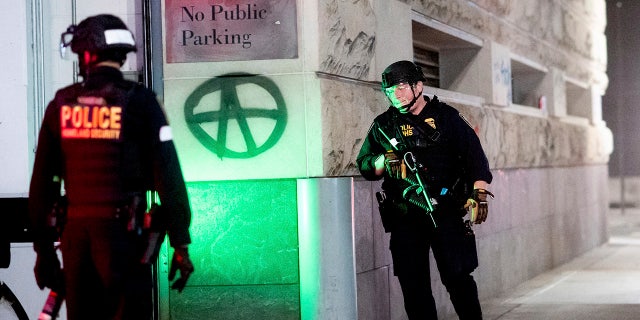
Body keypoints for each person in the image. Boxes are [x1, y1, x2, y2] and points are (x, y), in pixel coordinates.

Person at [28, 14, 194, 320]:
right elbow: (167, 174)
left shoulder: (61, 105)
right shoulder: (142, 103)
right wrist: (180, 241)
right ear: (120, 54)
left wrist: (44, 251)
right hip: (125, 238)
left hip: (76, 239)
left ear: (87, 55)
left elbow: (42, 185)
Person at [356, 60, 494, 319]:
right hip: (405, 214)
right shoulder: (384, 125)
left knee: (458, 278)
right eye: (389, 91)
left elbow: (476, 158)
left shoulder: (447, 118)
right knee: (413, 286)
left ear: (418, 86)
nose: (395, 95)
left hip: (446, 211)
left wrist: (479, 194)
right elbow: (364, 164)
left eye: (400, 87)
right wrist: (384, 159)